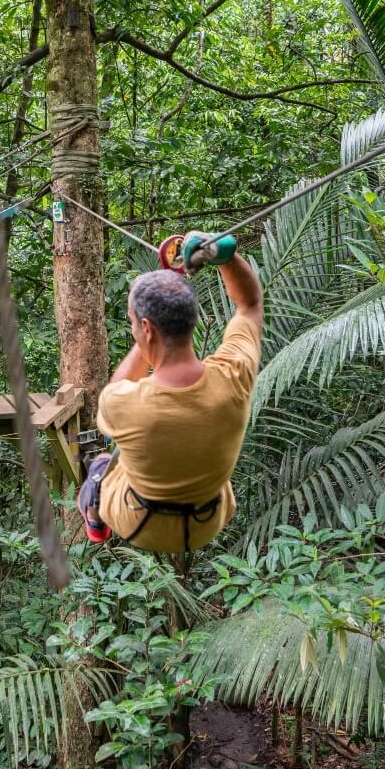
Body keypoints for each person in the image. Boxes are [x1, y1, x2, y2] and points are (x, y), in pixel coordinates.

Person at [77, 233, 262, 553]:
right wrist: (224, 254)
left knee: (101, 467)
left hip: (142, 524)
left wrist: (149, 334)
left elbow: (118, 385)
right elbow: (250, 304)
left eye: (135, 324)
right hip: (207, 520)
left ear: (146, 329)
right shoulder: (233, 375)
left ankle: (95, 521)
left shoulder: (123, 403)